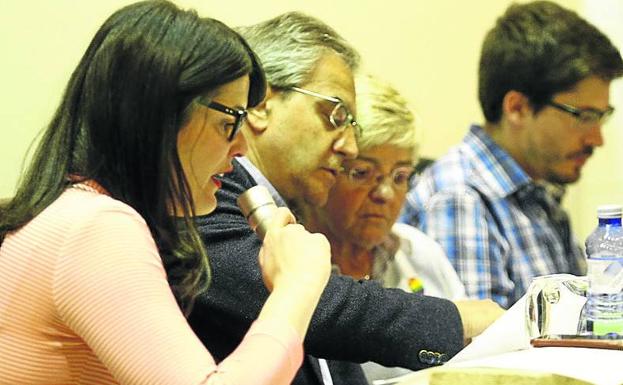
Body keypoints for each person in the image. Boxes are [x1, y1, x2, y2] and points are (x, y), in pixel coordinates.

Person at [0, 1, 332, 384]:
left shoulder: (66, 212)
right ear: (164, 116)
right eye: (230, 121)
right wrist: (297, 285)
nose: (240, 146)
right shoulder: (97, 228)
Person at [179, 12, 503, 385]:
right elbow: (323, 308)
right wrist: (458, 321)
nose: (349, 147)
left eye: (401, 177)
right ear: (263, 104)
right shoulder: (205, 191)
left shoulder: (276, 202)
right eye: (335, 115)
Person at [400, 1, 623, 308]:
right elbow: (481, 352)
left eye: (602, 116)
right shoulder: (462, 198)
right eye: (584, 116)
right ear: (517, 108)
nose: (597, 138)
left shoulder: (539, 196)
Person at [303, 73, 467, 383]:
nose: (386, 194)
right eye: (363, 173)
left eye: (401, 176)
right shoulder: (294, 263)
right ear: (326, 171)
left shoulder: (418, 252)